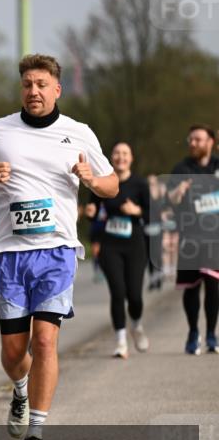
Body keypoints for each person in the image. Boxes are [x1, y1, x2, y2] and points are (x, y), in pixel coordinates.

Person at [0, 54, 117, 440]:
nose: (33, 91)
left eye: (41, 84)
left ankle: (36, 434)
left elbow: (112, 184)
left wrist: (90, 179)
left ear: (57, 89)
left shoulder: (78, 133)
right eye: (27, 85)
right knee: (14, 352)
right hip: (9, 253)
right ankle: (20, 388)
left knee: (45, 341)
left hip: (56, 251)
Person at [83, 142, 151, 358]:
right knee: (118, 292)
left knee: (135, 295)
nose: (121, 157)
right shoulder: (103, 181)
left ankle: (137, 325)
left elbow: (152, 214)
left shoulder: (140, 184)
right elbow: (92, 210)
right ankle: (121, 341)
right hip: (110, 243)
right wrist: (90, 212)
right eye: (117, 154)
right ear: (111, 158)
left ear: (131, 158)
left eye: (125, 154)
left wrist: (136, 210)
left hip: (135, 244)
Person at [167, 124, 219, 355]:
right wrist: (179, 192)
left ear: (211, 142)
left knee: (213, 283)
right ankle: (193, 332)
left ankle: (211, 334)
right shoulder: (182, 168)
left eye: (198, 139)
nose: (193, 143)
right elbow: (170, 199)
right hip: (189, 236)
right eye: (191, 139)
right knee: (191, 286)